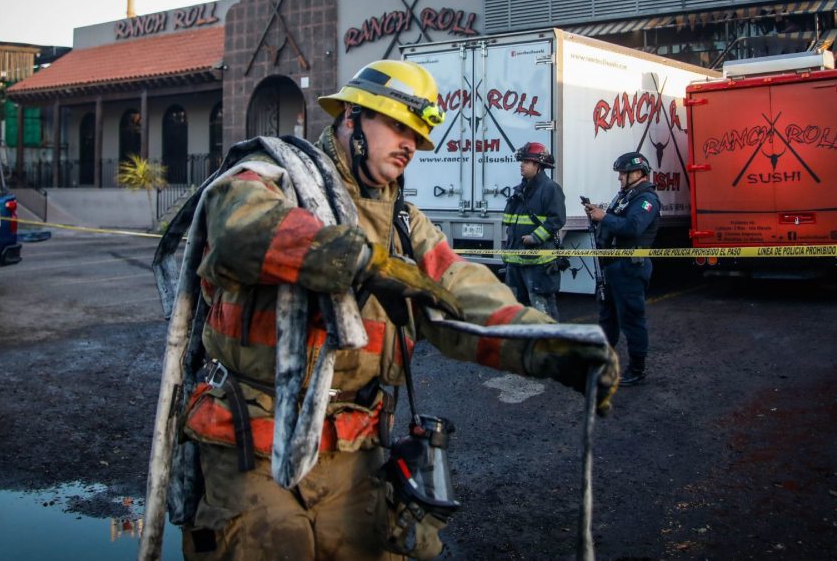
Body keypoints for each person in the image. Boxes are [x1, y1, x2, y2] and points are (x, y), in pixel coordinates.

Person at [177, 60, 619, 560]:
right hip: (249, 445)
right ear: (349, 117)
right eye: (397, 124)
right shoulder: (273, 175)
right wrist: (359, 261)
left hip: (355, 452)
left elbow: (462, 292)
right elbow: (239, 228)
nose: (410, 143)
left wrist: (552, 346)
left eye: (418, 133)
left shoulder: (404, 225)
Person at [583, 151, 661, 386]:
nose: (619, 178)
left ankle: (637, 368)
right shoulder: (625, 196)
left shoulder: (647, 200)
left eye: (623, 173)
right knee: (608, 318)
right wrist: (598, 213)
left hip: (630, 268)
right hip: (613, 266)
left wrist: (603, 217)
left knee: (631, 319)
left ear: (638, 173)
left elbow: (632, 227)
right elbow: (615, 220)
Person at [502, 141, 566, 319]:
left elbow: (557, 219)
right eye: (521, 161)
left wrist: (534, 238)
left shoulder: (550, 189)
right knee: (516, 312)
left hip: (538, 264)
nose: (521, 165)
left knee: (542, 311)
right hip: (516, 262)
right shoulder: (521, 189)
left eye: (526, 161)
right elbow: (509, 221)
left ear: (537, 165)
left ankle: (551, 345)